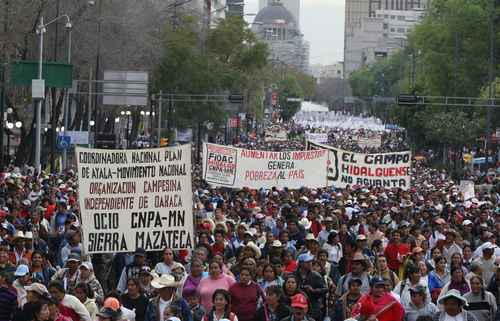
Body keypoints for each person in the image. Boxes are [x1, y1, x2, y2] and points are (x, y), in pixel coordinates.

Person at [294, 252, 328, 321]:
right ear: (301, 263)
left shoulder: (316, 275)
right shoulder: (294, 275)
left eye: (310, 261)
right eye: (307, 262)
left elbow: (325, 289)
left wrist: (313, 290)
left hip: (313, 308)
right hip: (297, 307)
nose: (310, 263)